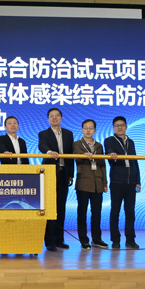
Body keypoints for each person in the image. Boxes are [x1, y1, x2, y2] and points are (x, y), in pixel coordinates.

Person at [38, 108, 74, 252]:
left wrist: (71, 174)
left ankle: (59, 239)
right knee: (49, 208)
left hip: (64, 173)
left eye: (57, 115)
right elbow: (42, 146)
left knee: (61, 207)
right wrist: (49, 152)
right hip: (50, 173)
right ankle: (49, 241)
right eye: (51, 116)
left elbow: (71, 154)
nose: (54, 118)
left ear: (61, 118)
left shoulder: (68, 134)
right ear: (48, 119)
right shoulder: (43, 134)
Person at [104, 116, 141, 250]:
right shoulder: (109, 140)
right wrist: (111, 153)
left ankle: (130, 240)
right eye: (117, 125)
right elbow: (108, 150)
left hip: (131, 182)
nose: (120, 127)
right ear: (113, 128)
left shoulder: (131, 142)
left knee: (130, 213)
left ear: (126, 127)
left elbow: (135, 161)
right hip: (117, 182)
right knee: (115, 212)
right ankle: (115, 240)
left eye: (122, 125)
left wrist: (138, 181)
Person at [73, 119, 108, 251]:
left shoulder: (99, 146)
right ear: (82, 130)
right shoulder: (77, 144)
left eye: (91, 128)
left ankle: (96, 239)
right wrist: (84, 154)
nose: (88, 130)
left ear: (95, 130)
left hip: (98, 184)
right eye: (86, 128)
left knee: (97, 213)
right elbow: (77, 156)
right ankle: (83, 239)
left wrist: (104, 183)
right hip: (83, 182)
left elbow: (103, 165)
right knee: (82, 213)